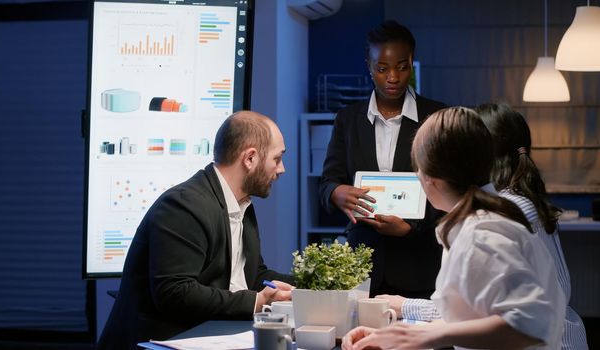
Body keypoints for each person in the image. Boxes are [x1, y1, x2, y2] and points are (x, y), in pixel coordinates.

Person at [342, 107, 565, 349]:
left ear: (431, 179)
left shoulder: (482, 236)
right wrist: (395, 334)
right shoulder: (477, 222)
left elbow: (531, 324)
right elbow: (469, 320)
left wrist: (423, 337)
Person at [98, 111, 295, 349]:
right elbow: (174, 293)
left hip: (210, 334)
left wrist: (313, 286)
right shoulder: (184, 205)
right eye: (277, 158)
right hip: (161, 342)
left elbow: (251, 275)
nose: (282, 169)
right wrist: (256, 301)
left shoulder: (243, 204)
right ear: (250, 158)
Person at [319, 20, 447, 298]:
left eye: (401, 66)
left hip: (420, 266)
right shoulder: (347, 120)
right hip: (363, 269)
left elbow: (451, 191)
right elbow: (328, 182)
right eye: (382, 68)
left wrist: (412, 228)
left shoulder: (437, 118)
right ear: (369, 66)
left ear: (411, 62)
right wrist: (336, 193)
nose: (393, 77)